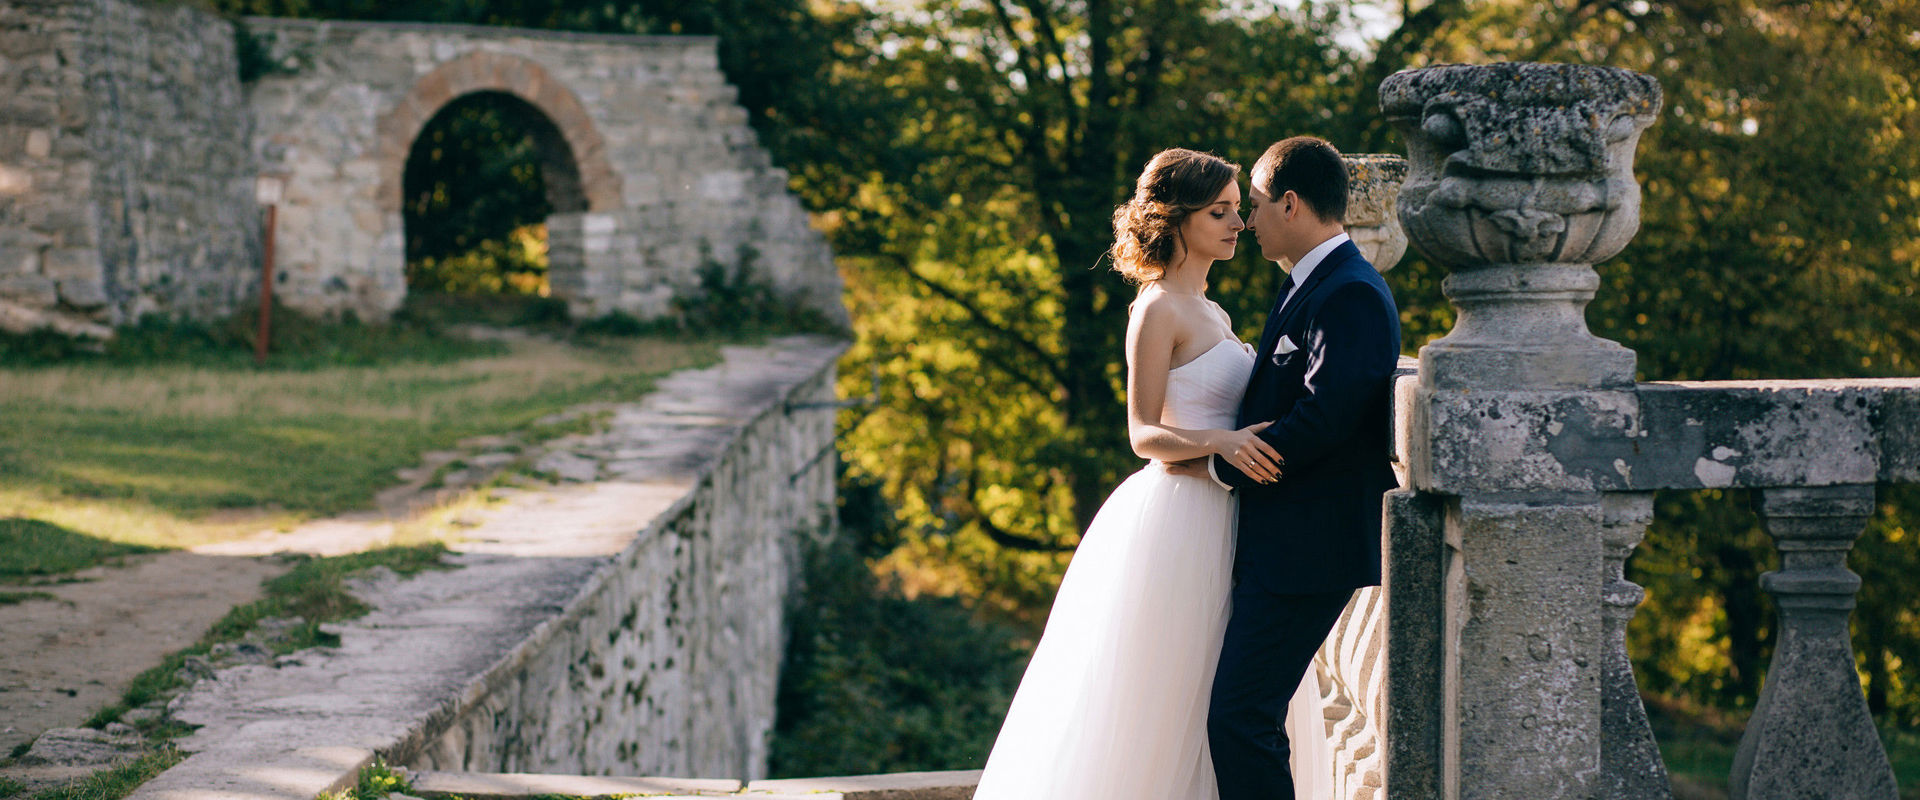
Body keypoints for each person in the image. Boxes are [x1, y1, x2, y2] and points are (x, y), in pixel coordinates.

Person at [971, 147, 1331, 800]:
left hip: (1230, 515)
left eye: (1237, 209)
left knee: (1225, 695)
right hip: (1180, 520)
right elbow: (1143, 434)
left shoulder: (1213, 311)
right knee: (1170, 696)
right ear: (1177, 218)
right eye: (1219, 212)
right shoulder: (1157, 308)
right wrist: (1220, 443)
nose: (1239, 224)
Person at [1166, 136, 1401, 800]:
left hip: (1309, 549)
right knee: (1248, 715)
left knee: (1240, 718)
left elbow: (1323, 419)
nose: (1247, 221)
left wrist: (1221, 467)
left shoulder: (1349, 291)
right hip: (1285, 543)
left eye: (1257, 204)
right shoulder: (1313, 281)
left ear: (1290, 204)